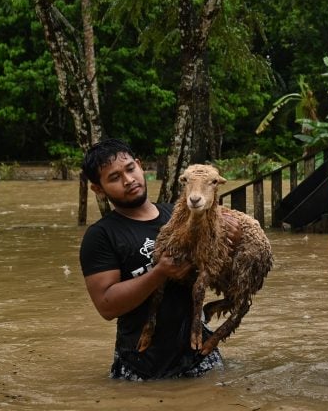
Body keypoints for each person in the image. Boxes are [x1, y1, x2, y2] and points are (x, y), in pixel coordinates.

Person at [79, 138, 231, 380]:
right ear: (98, 189)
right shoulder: (101, 236)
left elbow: (218, 268)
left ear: (140, 166)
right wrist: (159, 273)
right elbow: (106, 306)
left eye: (130, 169)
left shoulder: (180, 215)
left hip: (200, 356)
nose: (128, 180)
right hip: (142, 365)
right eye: (114, 177)